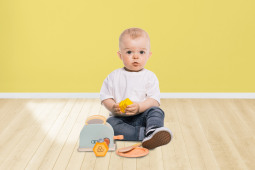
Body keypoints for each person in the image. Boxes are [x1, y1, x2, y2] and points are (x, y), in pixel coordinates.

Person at [100, 27, 172, 149]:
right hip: (121, 119)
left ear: (149, 55)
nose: (135, 57)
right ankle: (146, 134)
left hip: (143, 115)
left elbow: (154, 100)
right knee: (109, 125)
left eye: (141, 52)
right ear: (120, 55)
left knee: (156, 111)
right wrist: (113, 107)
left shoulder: (150, 76)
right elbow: (105, 97)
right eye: (129, 52)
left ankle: (153, 129)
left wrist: (139, 107)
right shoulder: (113, 76)